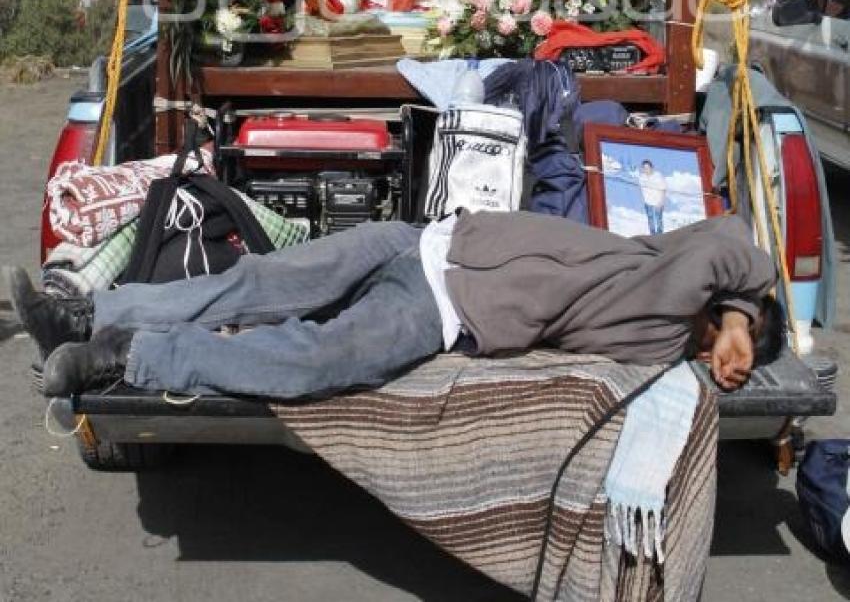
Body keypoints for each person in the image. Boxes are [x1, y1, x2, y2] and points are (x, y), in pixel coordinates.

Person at [9, 210, 781, 403]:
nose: (732, 354)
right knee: (255, 281)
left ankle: (121, 354)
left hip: (445, 313)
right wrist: (745, 316)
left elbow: (716, 266)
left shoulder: (656, 334)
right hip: (422, 237)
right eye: (738, 333)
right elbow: (729, 237)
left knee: (312, 359)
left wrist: (715, 341)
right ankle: (83, 310)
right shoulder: (681, 261)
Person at [636, 158, 667, 234]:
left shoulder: (658, 175)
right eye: (644, 168)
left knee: (658, 219)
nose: (646, 170)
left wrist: (661, 201)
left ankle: (660, 234)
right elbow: (641, 187)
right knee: (650, 219)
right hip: (648, 202)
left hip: (658, 201)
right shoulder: (641, 177)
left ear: (651, 167)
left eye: (648, 168)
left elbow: (663, 189)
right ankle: (652, 235)